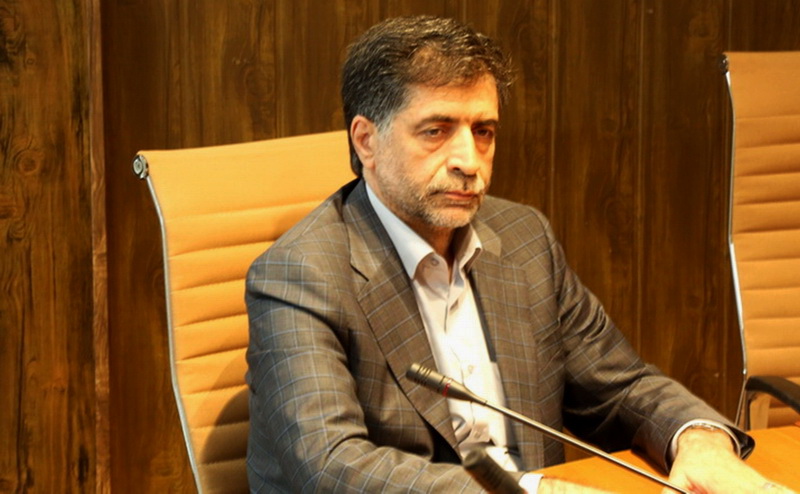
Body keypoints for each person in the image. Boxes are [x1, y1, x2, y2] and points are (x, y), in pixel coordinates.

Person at [245, 15, 791, 493]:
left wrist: (699, 440)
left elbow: (618, 388)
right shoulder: (300, 274)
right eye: (436, 131)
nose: (469, 160)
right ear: (366, 140)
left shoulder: (524, 238)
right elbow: (331, 466)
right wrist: (531, 490)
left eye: (483, 131)